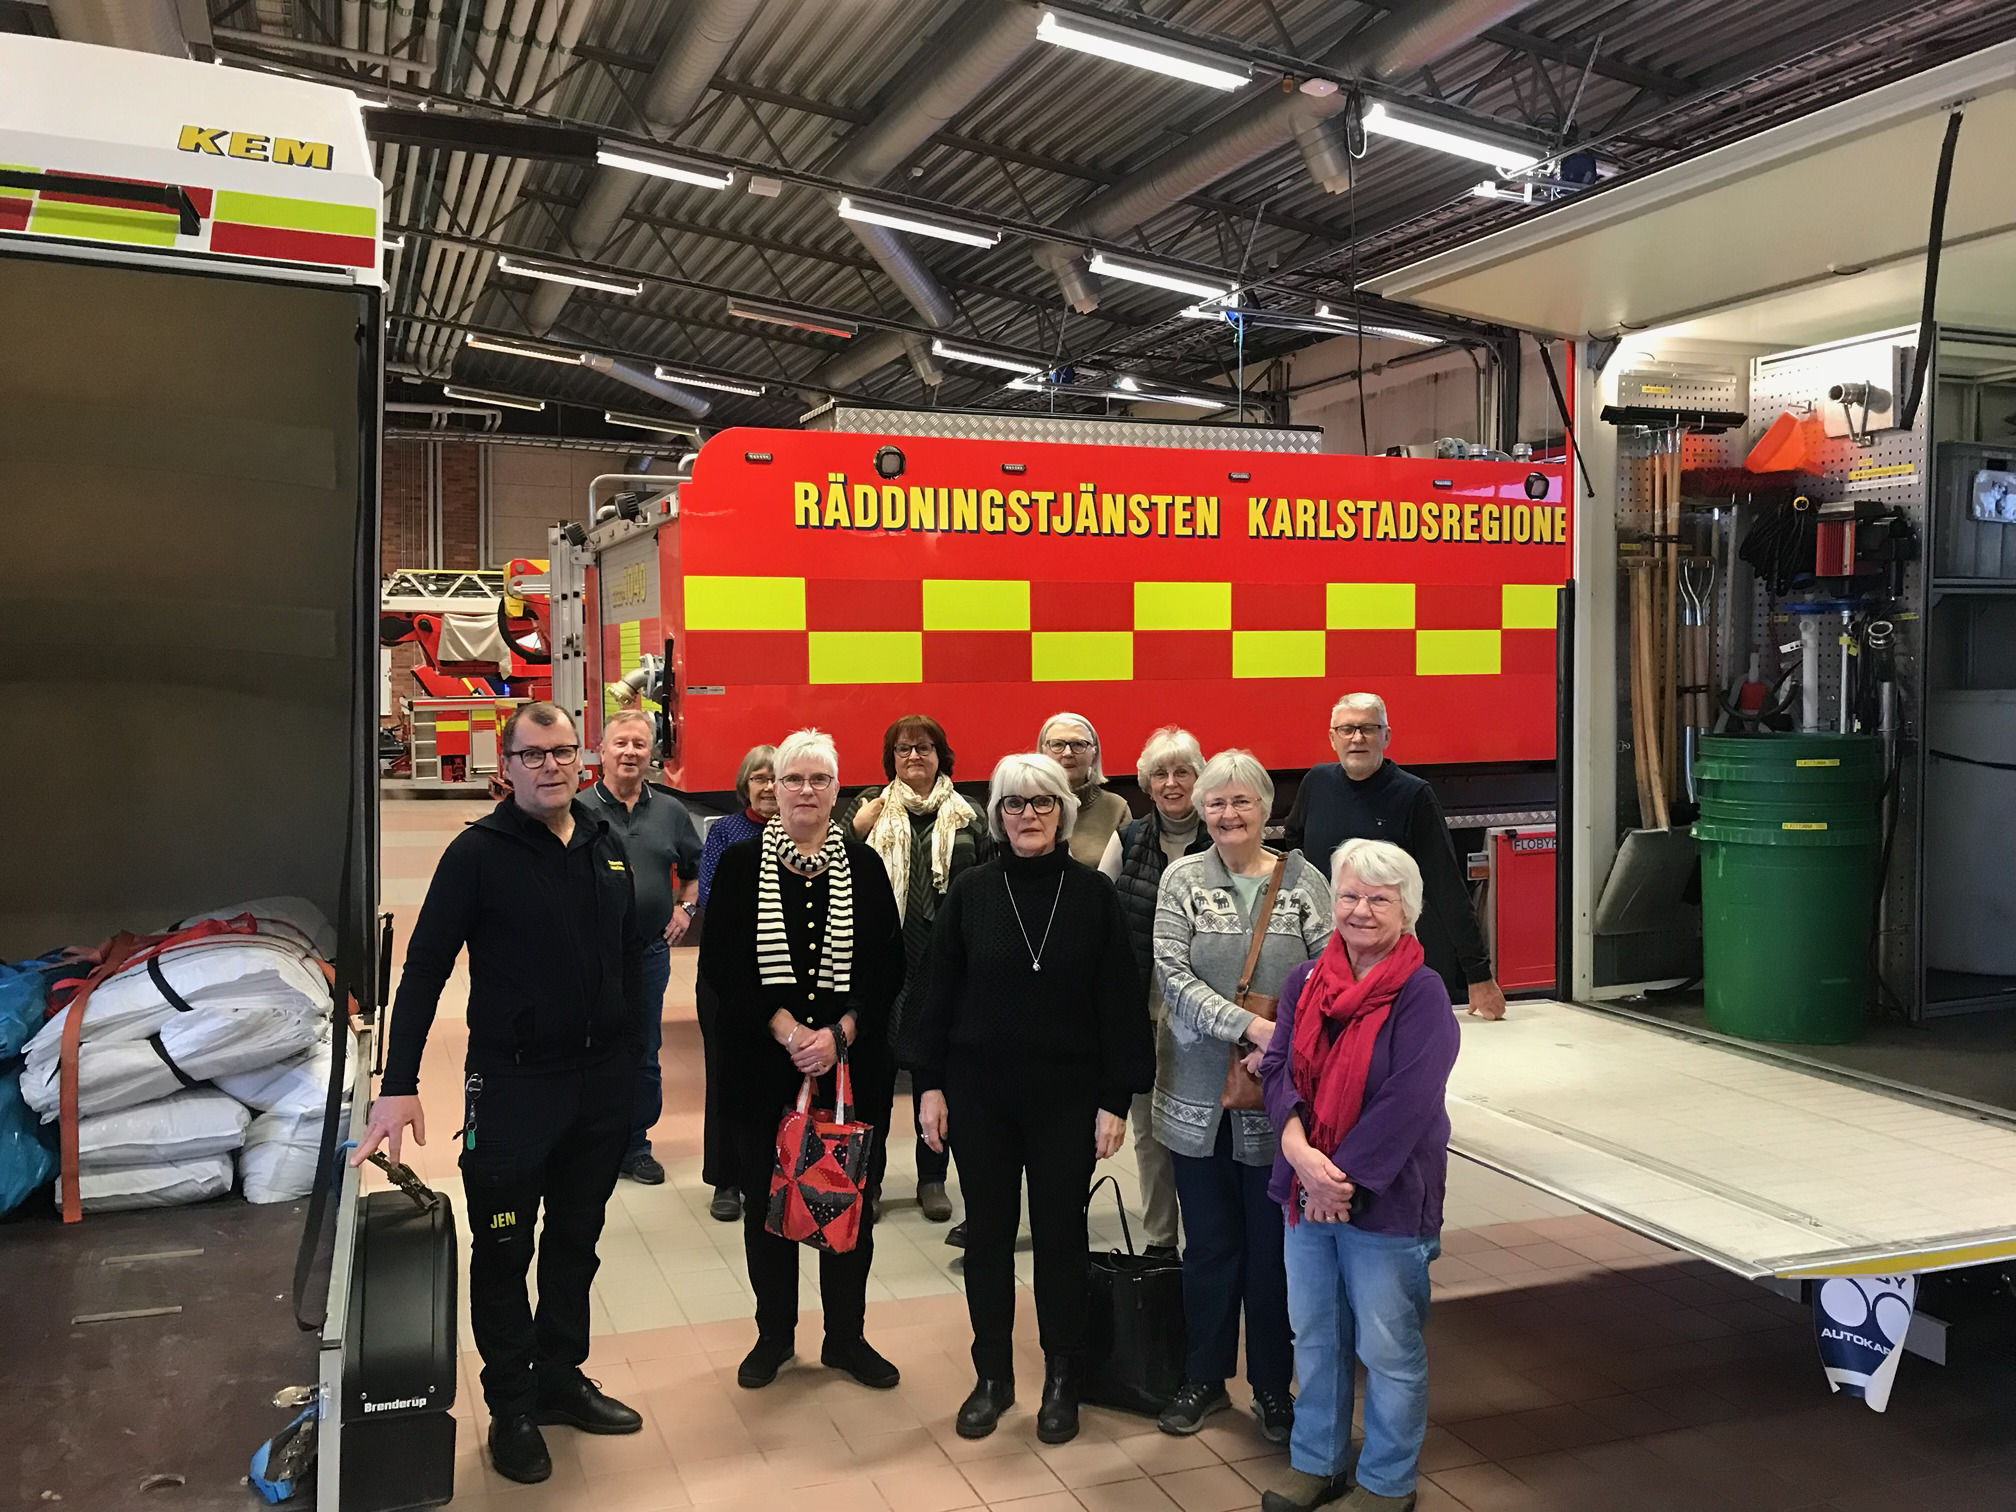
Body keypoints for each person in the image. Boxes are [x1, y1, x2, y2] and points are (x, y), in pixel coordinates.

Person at [355, 702, 645, 1487]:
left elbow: (626, 959)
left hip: (598, 1087)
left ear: (578, 760)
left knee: (576, 1242)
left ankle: (559, 1379)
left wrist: (632, 1066)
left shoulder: (602, 844)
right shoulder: (476, 855)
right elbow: (423, 972)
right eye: (534, 755)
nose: (551, 767)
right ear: (506, 767)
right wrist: (399, 1084)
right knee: (506, 1248)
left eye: (561, 753)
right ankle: (512, 1406)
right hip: (514, 1088)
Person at [913, 752, 1152, 1446]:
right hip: (979, 1096)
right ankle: (991, 1376)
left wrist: (1115, 1098)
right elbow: (936, 997)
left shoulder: (1092, 895)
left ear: (1064, 812)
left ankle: (1061, 1376)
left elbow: (1118, 1001)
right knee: (987, 1238)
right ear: (998, 816)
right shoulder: (972, 891)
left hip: (1066, 1098)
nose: (1028, 816)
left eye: (1042, 803)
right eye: (1014, 805)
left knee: (1060, 1240)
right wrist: (929, 1084)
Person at [697, 728, 906, 1393]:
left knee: (848, 1200)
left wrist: (841, 1031)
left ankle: (846, 1337)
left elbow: (888, 967)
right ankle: (774, 1334)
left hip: (851, 1070)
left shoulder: (865, 867)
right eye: (792, 779)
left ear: (837, 790)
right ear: (770, 790)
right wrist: (788, 1030)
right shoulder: (739, 864)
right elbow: (722, 967)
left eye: (819, 780)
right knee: (769, 1205)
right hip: (761, 1069)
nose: (805, 791)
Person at [1257, 839, 1460, 1512]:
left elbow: (1409, 1101)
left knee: (1388, 1349)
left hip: (1386, 1198)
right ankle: (1318, 1463)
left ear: (1408, 908)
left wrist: (1334, 1181)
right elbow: (1280, 1069)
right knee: (1315, 1337)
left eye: (1379, 897)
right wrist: (1298, 1153)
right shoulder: (1305, 982)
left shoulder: (1423, 994)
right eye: (1349, 895)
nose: (1361, 910)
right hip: (1306, 1189)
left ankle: (1386, 1482)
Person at [1152, 750, 1331, 1445]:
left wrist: (1278, 1043)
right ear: (1201, 811)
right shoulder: (1182, 880)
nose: (1228, 815)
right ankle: (1203, 1378)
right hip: (1196, 1098)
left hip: (1279, 1104)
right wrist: (1253, 1026)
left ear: (1265, 808)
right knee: (1208, 1250)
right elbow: (1171, 975)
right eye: (1216, 804)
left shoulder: (1303, 880)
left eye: (1242, 802)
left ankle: (1271, 1388)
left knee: (1272, 1256)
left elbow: (1326, 973)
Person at [841, 715, 986, 1226]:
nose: (914, 757)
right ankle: (871, 1180)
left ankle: (932, 1179)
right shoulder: (867, 807)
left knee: (936, 1076)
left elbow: (987, 881)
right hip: (885, 961)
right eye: (903, 750)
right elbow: (835, 861)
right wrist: (854, 830)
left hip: (947, 964)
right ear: (891, 759)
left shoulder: (969, 813)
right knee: (875, 1078)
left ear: (941, 755)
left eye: (924, 748)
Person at [1283, 693, 1508, 1021]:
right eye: (1347, 729)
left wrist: (1478, 974)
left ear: (1386, 736)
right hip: (1324, 951)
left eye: (1368, 729)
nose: (1357, 738)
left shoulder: (1413, 796)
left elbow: (1447, 887)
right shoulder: (1316, 783)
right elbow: (1294, 848)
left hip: (1386, 956)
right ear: (1332, 738)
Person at [1097, 725, 1209, 1259]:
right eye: (1160, 773)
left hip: (1210, 1023)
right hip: (1145, 1017)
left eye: (1182, 772)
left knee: (1209, 1129)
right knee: (1150, 1134)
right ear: (1146, 782)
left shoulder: (1224, 833)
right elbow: (1102, 925)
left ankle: (1210, 1234)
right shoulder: (1127, 841)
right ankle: (1161, 1239)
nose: (1171, 783)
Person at [578, 709, 702, 1187]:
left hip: (649, 953)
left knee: (643, 1049)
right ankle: (591, 1141)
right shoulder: (577, 809)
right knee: (591, 1043)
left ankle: (635, 1145)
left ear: (651, 754)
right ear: (602, 751)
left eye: (640, 744)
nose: (630, 752)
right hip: (591, 957)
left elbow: (697, 868)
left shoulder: (672, 813)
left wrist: (685, 910)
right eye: (620, 743)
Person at [691, 744, 778, 1222]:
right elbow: (709, 894)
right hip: (726, 975)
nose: (768, 787)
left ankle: (770, 1172)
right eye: (759, 778)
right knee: (724, 1072)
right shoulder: (726, 832)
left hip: (780, 974)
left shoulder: (797, 833)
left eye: (775, 778)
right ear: (745, 784)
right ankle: (725, 1180)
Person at [1039, 711, 1133, 867]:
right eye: (1057, 744)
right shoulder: (1026, 807)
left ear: (1093, 754)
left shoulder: (1116, 808)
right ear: (1043, 752)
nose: (1067, 753)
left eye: (1078, 744)